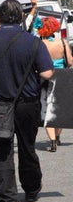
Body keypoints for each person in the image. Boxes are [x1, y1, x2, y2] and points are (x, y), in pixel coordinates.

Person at [0, 0, 54, 202]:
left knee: (2, 153)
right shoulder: (33, 42)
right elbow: (47, 73)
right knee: (27, 147)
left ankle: (7, 201)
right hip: (27, 105)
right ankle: (32, 188)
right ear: (19, 17)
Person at [36, 16, 72, 152]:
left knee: (47, 108)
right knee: (60, 109)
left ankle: (52, 141)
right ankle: (57, 136)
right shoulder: (62, 42)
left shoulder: (40, 44)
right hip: (62, 76)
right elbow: (70, 61)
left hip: (45, 76)